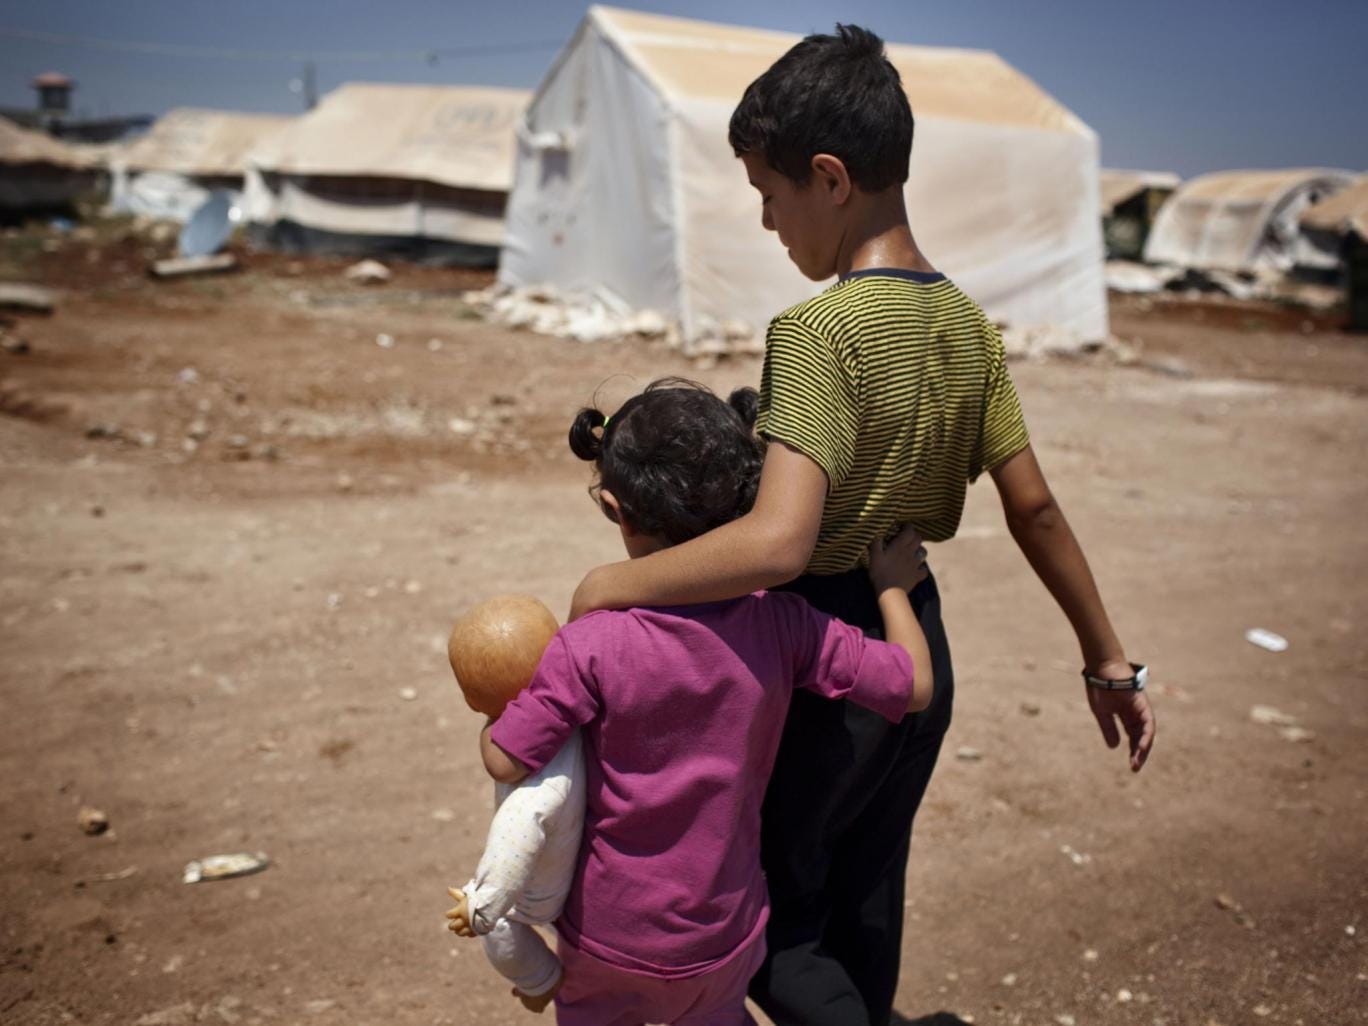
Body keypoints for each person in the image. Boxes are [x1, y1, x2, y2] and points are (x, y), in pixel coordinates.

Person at [567, 24, 1157, 1026]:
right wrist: (1108, 660)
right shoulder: (969, 324)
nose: (766, 223)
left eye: (770, 196)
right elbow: (1034, 506)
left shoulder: (819, 333)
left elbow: (780, 543)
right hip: (919, 645)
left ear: (831, 180)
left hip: (825, 658)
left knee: (774, 929)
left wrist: (607, 586)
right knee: (866, 904)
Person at [481, 379, 935, 1025]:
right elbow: (913, 686)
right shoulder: (785, 626)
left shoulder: (589, 647)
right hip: (727, 933)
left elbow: (505, 760)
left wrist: (491, 705)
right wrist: (890, 588)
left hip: (611, 937)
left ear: (616, 507)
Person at [443, 594, 582, 1015]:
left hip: (542, 889)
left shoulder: (533, 783)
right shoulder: (578, 712)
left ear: (472, 700)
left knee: (501, 928)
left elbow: (516, 835)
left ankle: (538, 980)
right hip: (575, 846)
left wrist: (481, 904)